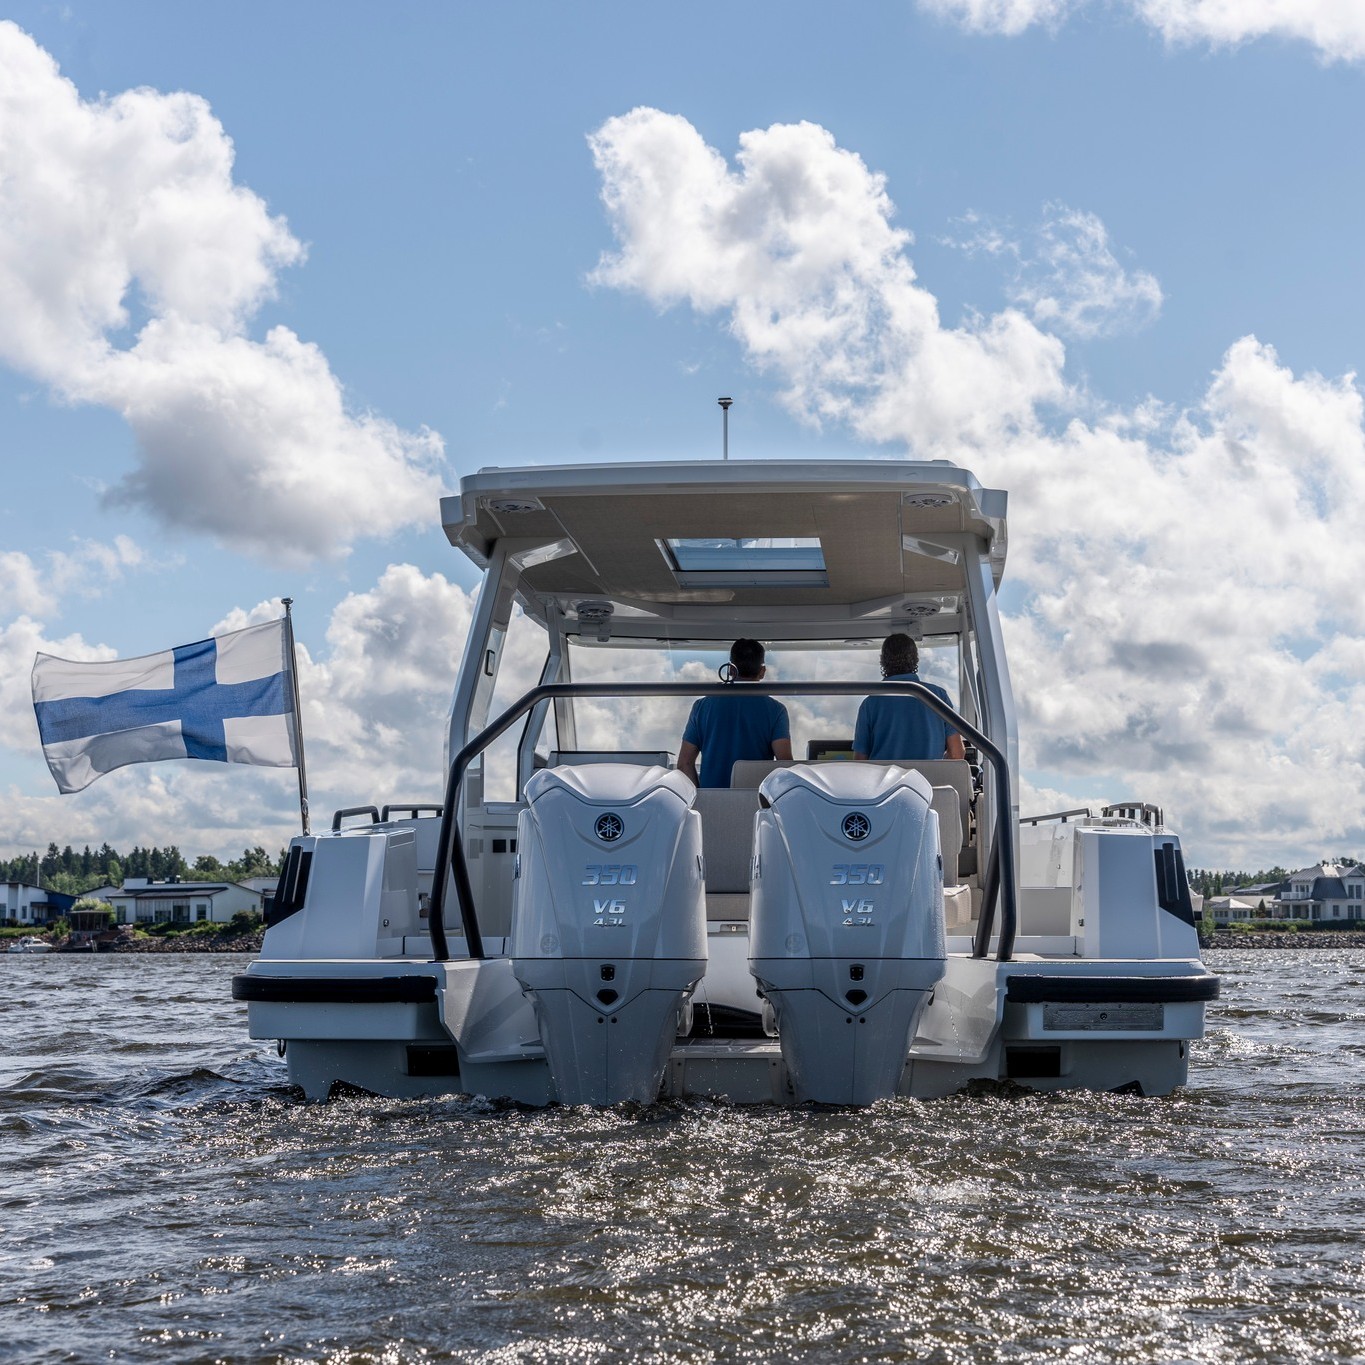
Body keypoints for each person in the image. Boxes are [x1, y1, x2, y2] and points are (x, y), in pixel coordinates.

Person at [677, 639, 792, 788]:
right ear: (762, 671)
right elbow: (785, 767)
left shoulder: (702, 707)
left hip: (712, 804)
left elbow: (684, 764)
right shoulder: (776, 710)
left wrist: (702, 798)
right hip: (755, 803)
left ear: (730, 669)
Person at [853, 634, 966, 762]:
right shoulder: (938, 696)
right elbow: (956, 754)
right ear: (916, 659)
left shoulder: (870, 704)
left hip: (886, 781)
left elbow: (861, 761)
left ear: (883, 660)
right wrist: (936, 767)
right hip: (928, 781)